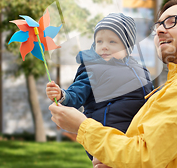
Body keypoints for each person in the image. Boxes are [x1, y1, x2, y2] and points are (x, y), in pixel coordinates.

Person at [49, 0, 177, 168]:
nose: (161, 30)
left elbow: (145, 157)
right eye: (158, 25)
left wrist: (82, 126)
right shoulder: (176, 85)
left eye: (173, 21)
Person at [46, 13, 153, 160]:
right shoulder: (94, 68)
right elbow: (76, 94)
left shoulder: (140, 70)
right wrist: (62, 95)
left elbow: (150, 97)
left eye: (112, 42)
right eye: (99, 42)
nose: (104, 47)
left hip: (135, 136)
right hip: (104, 134)